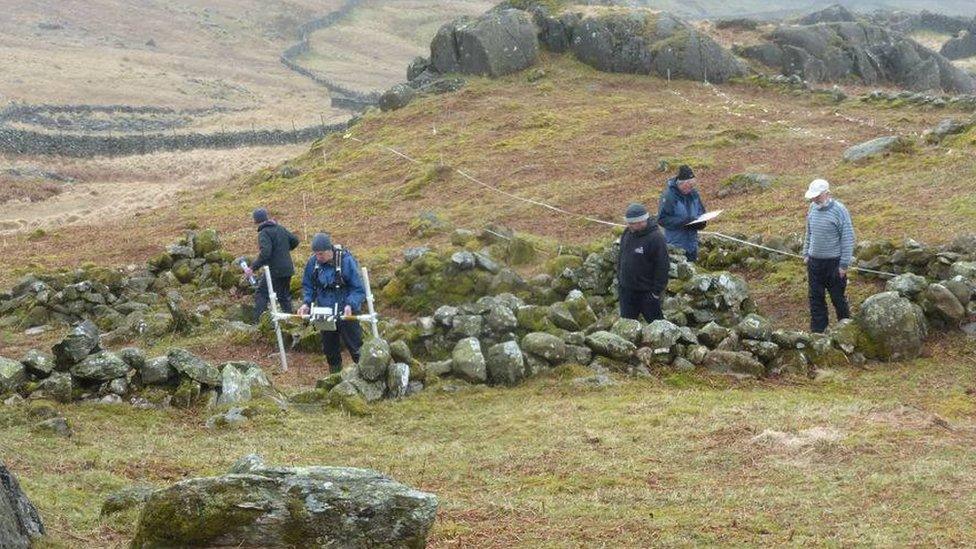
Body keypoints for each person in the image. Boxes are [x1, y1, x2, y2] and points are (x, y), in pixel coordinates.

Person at [298, 233, 366, 373]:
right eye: (316, 254)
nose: (318, 257)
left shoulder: (346, 261)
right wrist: (306, 303)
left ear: (330, 250)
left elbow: (358, 289)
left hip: (346, 312)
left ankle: (365, 375)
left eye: (321, 254)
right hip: (325, 312)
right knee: (330, 350)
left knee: (356, 347)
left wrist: (350, 305)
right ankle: (335, 378)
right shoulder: (313, 263)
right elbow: (309, 286)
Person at [802, 179, 854, 333]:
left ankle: (846, 330)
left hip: (834, 264)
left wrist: (844, 264)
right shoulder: (812, 208)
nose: (814, 199)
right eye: (813, 196)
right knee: (815, 298)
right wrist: (806, 253)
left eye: (817, 196)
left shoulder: (840, 210)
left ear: (827, 193)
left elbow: (848, 237)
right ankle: (818, 331)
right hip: (814, 263)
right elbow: (809, 232)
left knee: (838, 298)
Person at [617, 203, 670, 322]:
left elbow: (663, 266)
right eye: (629, 223)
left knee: (657, 327)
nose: (631, 226)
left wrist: (655, 293)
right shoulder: (627, 233)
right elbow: (621, 256)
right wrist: (620, 280)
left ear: (643, 221)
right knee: (627, 328)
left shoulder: (656, 238)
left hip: (647, 294)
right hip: (627, 292)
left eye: (634, 223)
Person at [245, 208, 299, 322]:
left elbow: (265, 253)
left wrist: (252, 268)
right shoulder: (280, 228)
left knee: (261, 294)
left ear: (256, 221)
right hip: (288, 269)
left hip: (275, 271)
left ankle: (258, 323)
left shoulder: (264, 233)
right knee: (283, 296)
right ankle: (292, 322)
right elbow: (295, 240)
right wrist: (283, 250)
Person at [657, 164, 707, 262]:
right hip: (676, 245)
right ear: (681, 183)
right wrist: (684, 222)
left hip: (692, 244)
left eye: (693, 185)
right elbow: (662, 219)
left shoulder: (694, 194)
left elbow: (701, 212)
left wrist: (701, 223)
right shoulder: (669, 196)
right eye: (689, 186)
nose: (691, 188)